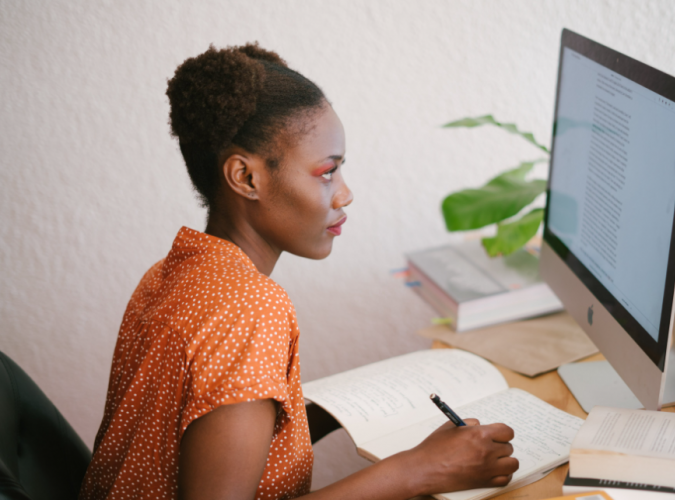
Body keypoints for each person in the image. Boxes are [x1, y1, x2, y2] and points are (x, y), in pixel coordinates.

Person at [79, 42, 519, 500]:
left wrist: (332, 416)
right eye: (326, 172)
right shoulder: (251, 308)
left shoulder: (171, 273)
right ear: (247, 178)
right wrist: (418, 471)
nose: (344, 194)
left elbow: (192, 434)